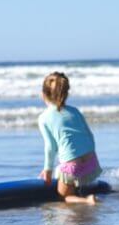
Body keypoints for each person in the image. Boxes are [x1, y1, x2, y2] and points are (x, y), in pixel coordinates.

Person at [38, 72, 102, 204]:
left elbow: (50, 147)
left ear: (43, 95)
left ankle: (87, 201)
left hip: (72, 167)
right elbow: (89, 135)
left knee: (64, 196)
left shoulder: (44, 118)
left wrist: (48, 170)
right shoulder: (75, 111)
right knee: (72, 178)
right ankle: (81, 186)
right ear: (65, 94)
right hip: (92, 162)